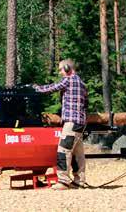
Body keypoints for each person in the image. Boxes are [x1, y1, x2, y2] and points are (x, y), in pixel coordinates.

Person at [33, 59, 88, 190]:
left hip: (71, 122)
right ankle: (79, 181)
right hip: (80, 122)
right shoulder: (82, 83)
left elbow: (52, 88)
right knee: (77, 153)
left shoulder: (68, 80)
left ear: (68, 68)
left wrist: (36, 88)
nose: (60, 72)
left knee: (63, 150)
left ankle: (63, 181)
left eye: (60, 69)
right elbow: (86, 104)